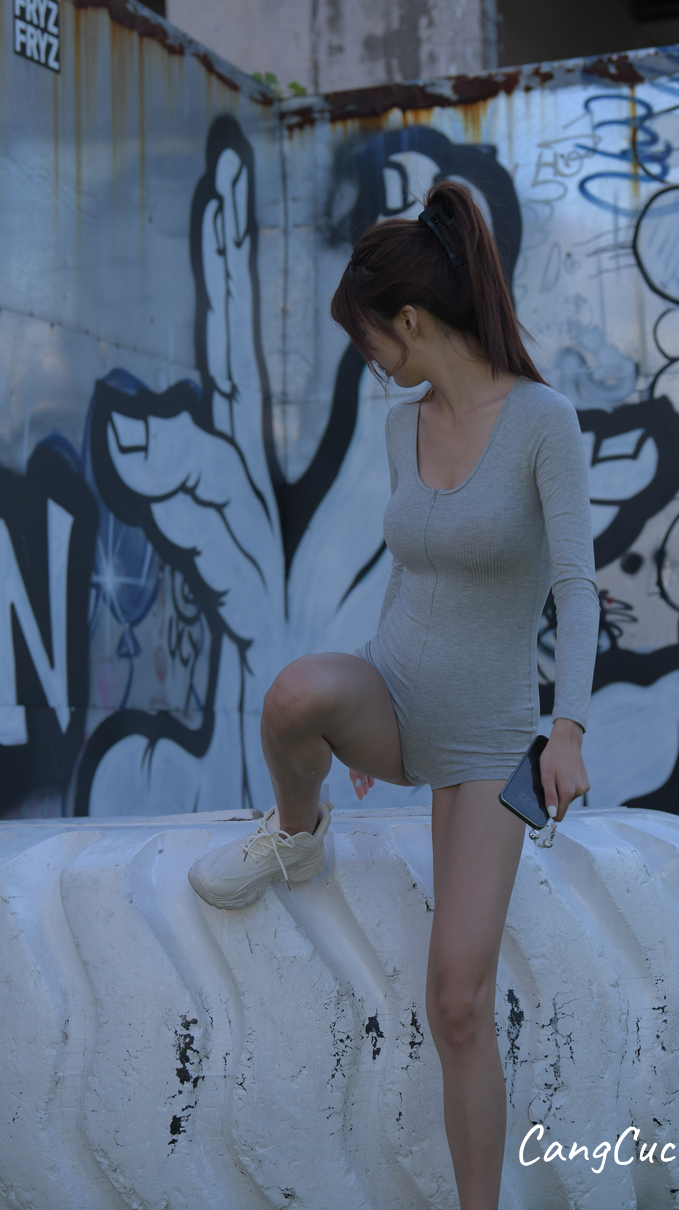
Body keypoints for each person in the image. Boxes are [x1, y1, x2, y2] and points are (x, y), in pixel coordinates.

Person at [187, 180, 601, 1210]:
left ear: (408, 320)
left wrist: (566, 730)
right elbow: (410, 574)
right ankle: (296, 835)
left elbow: (576, 587)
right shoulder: (400, 423)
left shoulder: (542, 421)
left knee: (457, 1002)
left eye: (368, 335)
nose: (368, 355)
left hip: (489, 747)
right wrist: (363, 713)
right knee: (295, 693)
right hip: (398, 692)